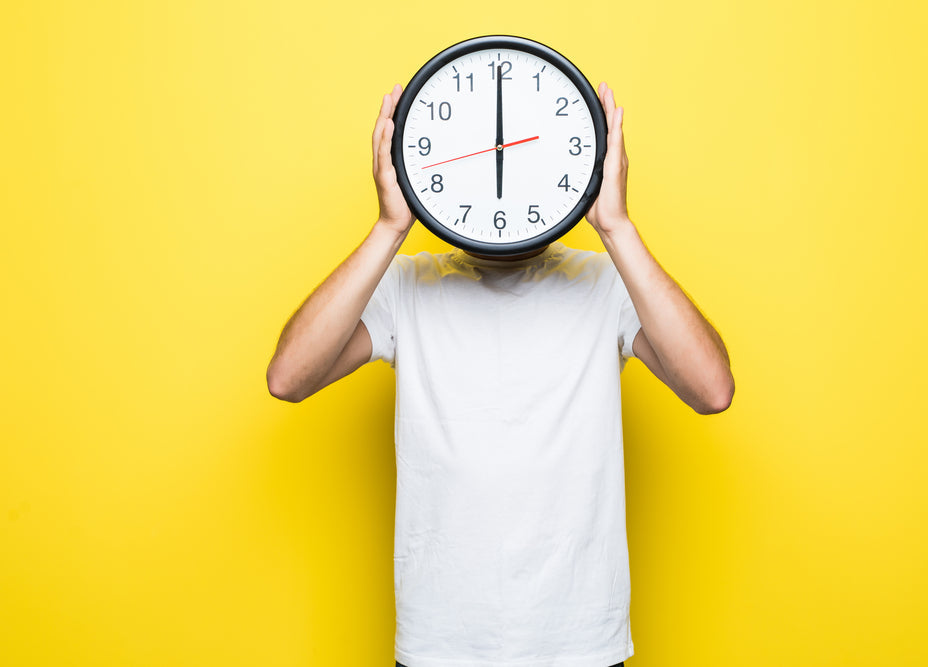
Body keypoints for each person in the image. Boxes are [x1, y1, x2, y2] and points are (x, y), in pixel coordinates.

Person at [267, 81, 734, 667]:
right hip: (441, 646)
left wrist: (617, 228)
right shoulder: (408, 286)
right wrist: (389, 227)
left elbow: (712, 389)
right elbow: (289, 377)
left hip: (580, 646)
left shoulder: (606, 284)